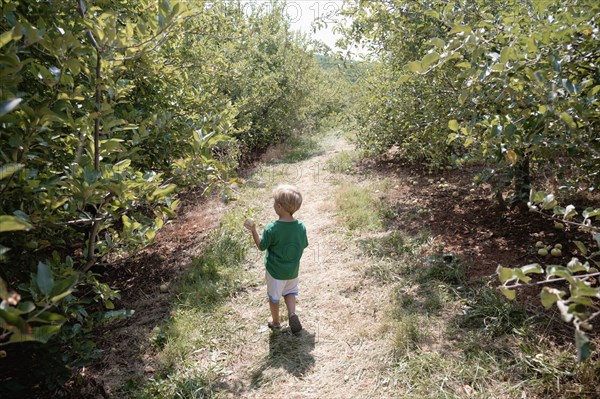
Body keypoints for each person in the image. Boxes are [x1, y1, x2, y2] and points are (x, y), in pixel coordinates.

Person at [244, 184, 308, 333]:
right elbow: (303, 245)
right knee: (290, 292)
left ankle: (276, 321)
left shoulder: (272, 228)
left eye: (274, 203)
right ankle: (292, 313)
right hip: (292, 271)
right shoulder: (301, 227)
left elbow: (261, 246)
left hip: (275, 272)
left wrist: (253, 231)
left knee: (274, 297)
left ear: (279, 206)